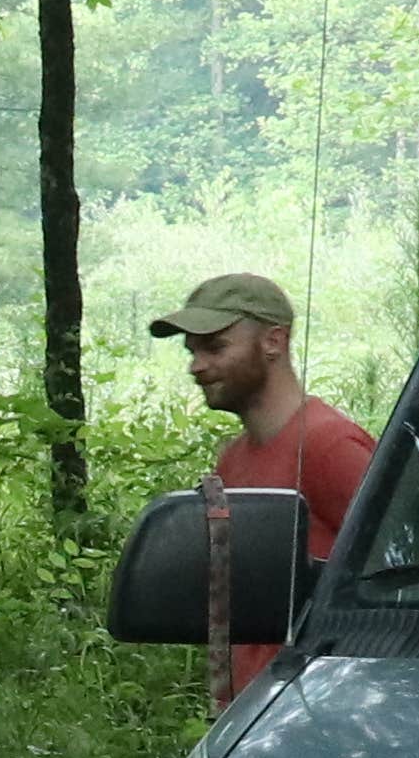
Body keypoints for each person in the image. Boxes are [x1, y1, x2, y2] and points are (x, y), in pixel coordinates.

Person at [157, 267, 367, 703]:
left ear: (274, 341)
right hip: (256, 715)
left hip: (315, 708)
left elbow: (399, 581)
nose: (197, 366)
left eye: (215, 347)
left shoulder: (330, 447)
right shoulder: (232, 459)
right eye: (192, 351)